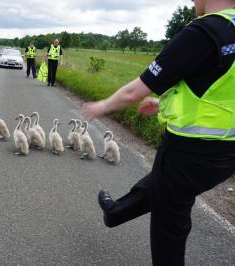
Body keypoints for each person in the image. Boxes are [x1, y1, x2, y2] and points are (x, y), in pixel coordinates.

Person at [82, 1, 235, 265]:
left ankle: (115, 213)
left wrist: (102, 106)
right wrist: (163, 103)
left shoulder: (205, 32)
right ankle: (115, 211)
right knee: (165, 185)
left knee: (170, 231)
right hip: (227, 154)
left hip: (189, 151)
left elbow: (135, 91)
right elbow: (216, 86)